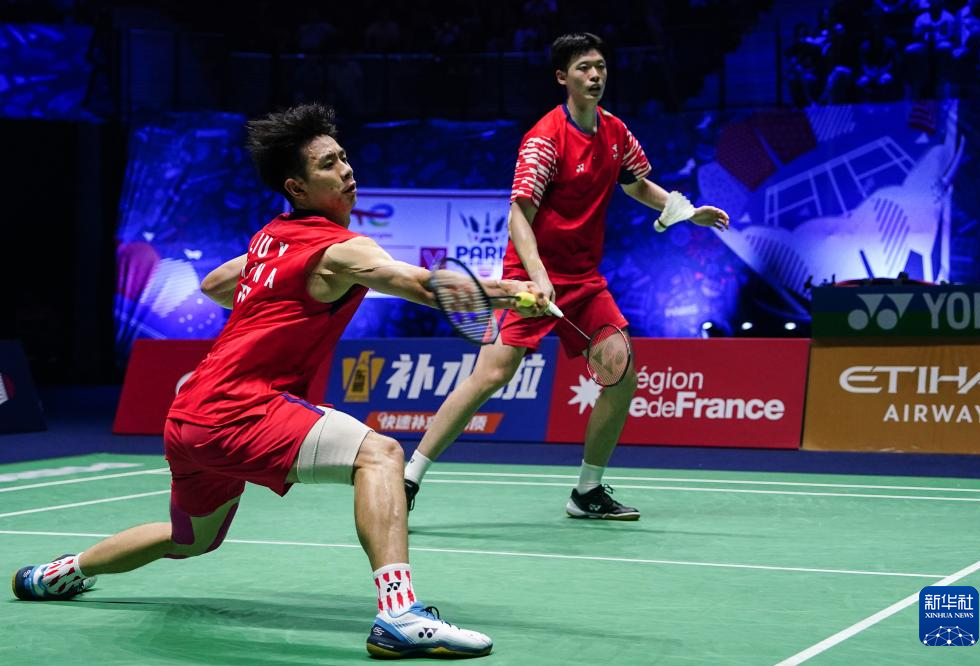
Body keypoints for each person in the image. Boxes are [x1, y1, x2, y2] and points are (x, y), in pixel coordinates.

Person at [11, 103, 545, 659]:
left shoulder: (272, 238)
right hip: (239, 408)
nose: (346, 169)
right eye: (328, 164)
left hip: (190, 415)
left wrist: (269, 294)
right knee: (381, 455)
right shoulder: (345, 248)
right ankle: (398, 613)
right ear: (297, 187)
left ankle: (57, 574)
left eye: (344, 157)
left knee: (189, 538)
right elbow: (416, 284)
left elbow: (216, 284)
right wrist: (515, 293)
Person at [403, 33, 729, 521]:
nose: (595, 75)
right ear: (562, 77)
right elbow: (519, 215)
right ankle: (409, 477)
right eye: (583, 68)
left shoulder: (615, 132)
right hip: (529, 277)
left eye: (600, 66)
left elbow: (636, 184)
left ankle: (587, 491)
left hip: (583, 280)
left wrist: (684, 211)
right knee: (492, 375)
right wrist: (536, 277)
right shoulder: (544, 139)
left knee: (621, 373)